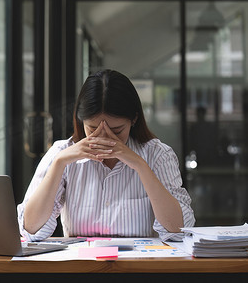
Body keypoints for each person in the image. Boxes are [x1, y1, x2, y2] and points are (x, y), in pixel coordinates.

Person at [17, 69, 195, 242]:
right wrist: (58, 164)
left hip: (140, 268)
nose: (104, 137)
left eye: (117, 131)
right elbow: (31, 231)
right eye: (93, 129)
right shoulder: (61, 153)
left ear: (134, 119)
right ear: (81, 121)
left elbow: (178, 231)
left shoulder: (157, 154)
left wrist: (140, 166)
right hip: (81, 268)